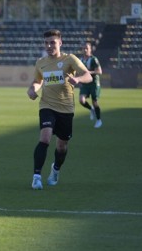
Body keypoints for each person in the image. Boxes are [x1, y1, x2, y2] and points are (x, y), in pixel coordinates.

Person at [27, 29, 93, 190]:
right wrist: (32, 89)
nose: (49, 46)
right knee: (45, 138)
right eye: (46, 43)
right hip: (47, 105)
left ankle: (55, 169)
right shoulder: (40, 62)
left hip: (66, 109)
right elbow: (37, 80)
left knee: (62, 146)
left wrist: (77, 78)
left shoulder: (69, 59)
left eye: (52, 42)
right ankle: (36, 177)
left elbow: (88, 75)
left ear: (60, 43)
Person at [77, 41, 104, 128]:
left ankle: (99, 120)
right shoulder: (80, 60)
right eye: (83, 48)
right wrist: (79, 80)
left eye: (86, 48)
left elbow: (99, 71)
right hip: (85, 83)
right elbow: (79, 72)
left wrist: (89, 72)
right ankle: (91, 109)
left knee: (95, 102)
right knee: (81, 100)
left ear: (90, 49)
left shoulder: (93, 59)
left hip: (94, 83)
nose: (85, 50)